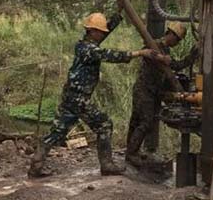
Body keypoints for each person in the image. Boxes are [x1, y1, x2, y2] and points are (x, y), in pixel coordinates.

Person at [28, 11, 156, 178]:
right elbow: (107, 55)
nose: (103, 34)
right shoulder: (90, 50)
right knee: (104, 124)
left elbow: (104, 34)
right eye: (100, 32)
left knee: (57, 132)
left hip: (70, 96)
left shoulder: (83, 44)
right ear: (93, 32)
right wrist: (139, 53)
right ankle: (107, 165)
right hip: (79, 98)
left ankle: (36, 166)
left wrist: (117, 15)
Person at [125, 22, 199, 167]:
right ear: (170, 34)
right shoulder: (155, 44)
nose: (177, 43)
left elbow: (175, 66)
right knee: (144, 122)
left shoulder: (166, 50)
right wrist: (160, 58)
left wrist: (192, 56)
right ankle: (131, 153)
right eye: (177, 40)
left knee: (138, 121)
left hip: (153, 92)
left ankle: (132, 150)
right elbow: (146, 52)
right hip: (144, 90)